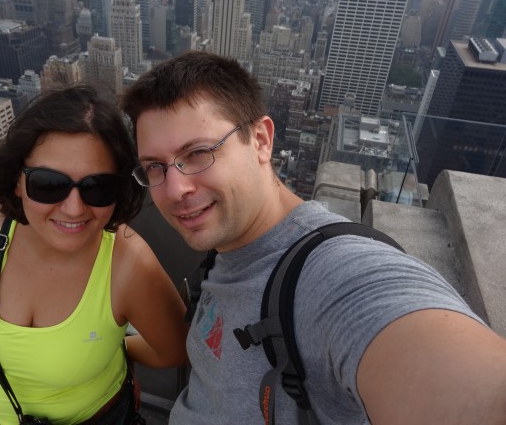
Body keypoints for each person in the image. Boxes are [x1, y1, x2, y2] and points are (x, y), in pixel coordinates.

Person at [121, 51, 506, 424]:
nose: (174, 189)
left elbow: (466, 386)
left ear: (260, 141)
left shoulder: (335, 275)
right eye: (155, 167)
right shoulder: (228, 249)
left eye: (199, 153)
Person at [0, 85, 188, 425]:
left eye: (97, 187)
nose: (73, 209)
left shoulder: (128, 265)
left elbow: (174, 348)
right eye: (48, 184)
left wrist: (111, 349)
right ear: (17, 181)